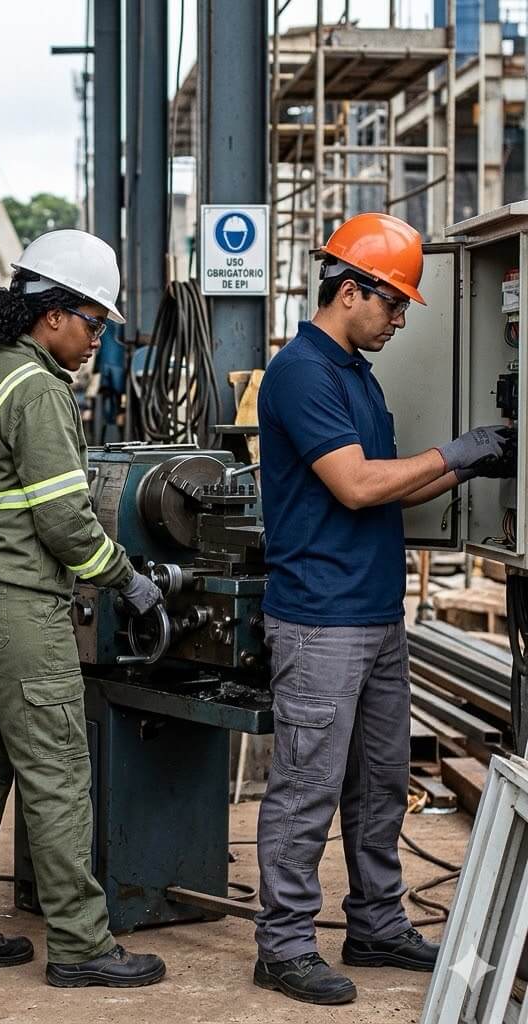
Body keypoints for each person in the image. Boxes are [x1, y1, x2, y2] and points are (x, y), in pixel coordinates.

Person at [254, 212, 514, 1005]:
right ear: (350, 289)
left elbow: (391, 480)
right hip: (318, 618)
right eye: (394, 303)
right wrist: (454, 453)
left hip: (372, 613)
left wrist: (474, 465)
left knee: (378, 782)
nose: (400, 320)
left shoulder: (357, 376)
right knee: (306, 787)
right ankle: (285, 944)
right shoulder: (301, 371)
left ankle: (375, 922)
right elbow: (358, 485)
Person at [0, 229, 166, 988]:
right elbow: (65, 522)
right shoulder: (37, 390)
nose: (97, 340)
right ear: (52, 314)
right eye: (93, 323)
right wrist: (126, 580)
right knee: (59, 773)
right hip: (15, 611)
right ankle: (81, 944)